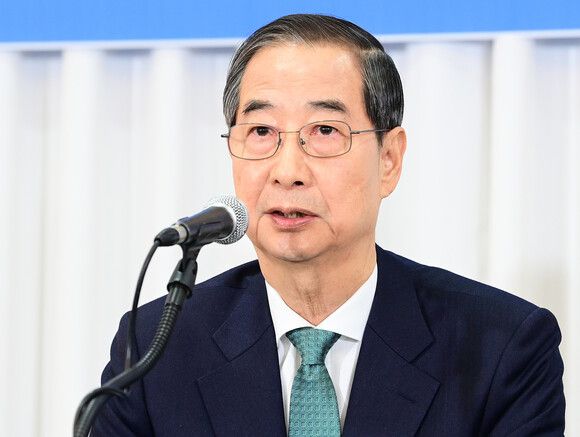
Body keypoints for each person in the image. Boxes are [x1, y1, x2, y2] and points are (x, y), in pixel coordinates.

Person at [93, 14, 565, 436]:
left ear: (389, 159)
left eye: (324, 131)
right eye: (262, 131)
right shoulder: (155, 349)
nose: (287, 171)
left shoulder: (501, 348)